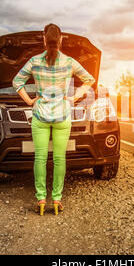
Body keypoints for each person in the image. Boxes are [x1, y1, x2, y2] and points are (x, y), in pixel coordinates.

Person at [12, 24, 95, 215]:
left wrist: (30, 100)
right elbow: (89, 80)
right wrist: (74, 98)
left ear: (44, 39)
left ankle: (41, 198)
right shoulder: (69, 62)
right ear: (61, 40)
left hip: (40, 116)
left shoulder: (34, 61)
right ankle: (57, 200)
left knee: (40, 158)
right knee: (59, 159)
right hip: (62, 116)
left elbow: (17, 82)